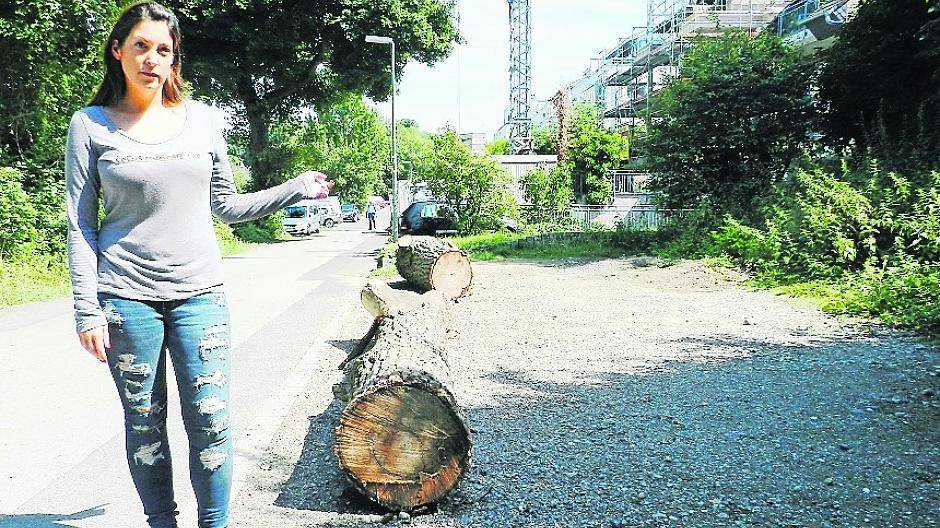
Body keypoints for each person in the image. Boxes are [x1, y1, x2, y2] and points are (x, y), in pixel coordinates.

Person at [64, 3, 331, 527]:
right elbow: (79, 223)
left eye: (163, 50)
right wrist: (86, 310)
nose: (151, 59)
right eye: (140, 46)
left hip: (200, 296)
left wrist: (295, 188)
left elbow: (226, 206)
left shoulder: (203, 120)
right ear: (118, 51)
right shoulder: (90, 125)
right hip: (125, 298)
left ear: (173, 59)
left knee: (210, 422)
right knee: (144, 428)